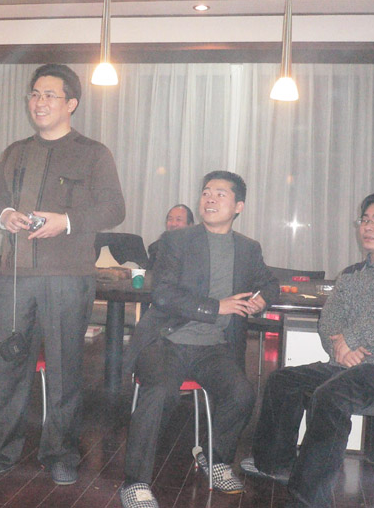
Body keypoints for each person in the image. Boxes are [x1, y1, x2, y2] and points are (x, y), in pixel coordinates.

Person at [0, 64, 125, 485]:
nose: (39, 102)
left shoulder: (93, 153)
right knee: (8, 363)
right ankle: (0, 451)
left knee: (64, 368)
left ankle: (60, 453)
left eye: (49, 95)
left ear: (71, 103)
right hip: (15, 275)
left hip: (68, 277)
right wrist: (5, 214)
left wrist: (66, 222)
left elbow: (114, 208)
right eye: (35, 94)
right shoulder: (15, 152)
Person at [240, 193, 374, 508]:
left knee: (331, 396)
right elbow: (329, 320)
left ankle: (308, 497)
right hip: (345, 365)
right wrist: (339, 348)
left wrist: (352, 340)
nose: (368, 227)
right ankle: (276, 465)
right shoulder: (351, 274)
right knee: (283, 380)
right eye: (364, 220)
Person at [119, 171, 278, 508]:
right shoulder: (176, 241)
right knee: (159, 392)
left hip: (214, 347)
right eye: (206, 192)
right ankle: (135, 482)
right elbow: (162, 294)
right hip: (166, 339)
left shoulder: (248, 249)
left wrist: (262, 298)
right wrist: (215, 307)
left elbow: (270, 283)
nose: (210, 199)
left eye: (220, 194)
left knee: (242, 393)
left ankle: (214, 458)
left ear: (238, 206)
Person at [146, 204, 194, 269]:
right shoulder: (157, 248)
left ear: (190, 225)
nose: (173, 224)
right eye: (170, 219)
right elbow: (150, 272)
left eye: (178, 219)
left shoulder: (197, 248)